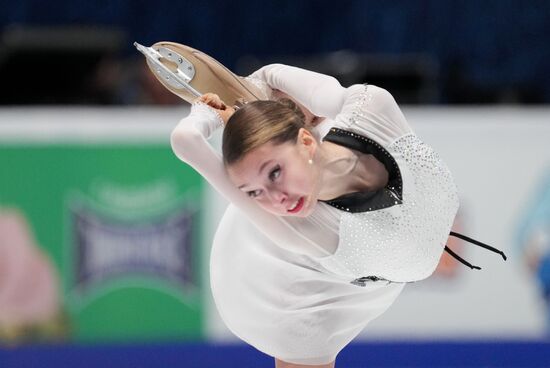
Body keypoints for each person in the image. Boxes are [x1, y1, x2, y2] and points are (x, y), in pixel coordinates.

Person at [169, 63, 497, 367]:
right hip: (290, 293)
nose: (275, 200)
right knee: (301, 338)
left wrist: (252, 90)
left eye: (274, 174)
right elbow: (185, 141)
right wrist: (202, 115)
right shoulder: (302, 228)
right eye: (252, 193)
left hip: (363, 274)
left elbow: (274, 75)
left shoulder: (371, 108)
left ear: (307, 142)